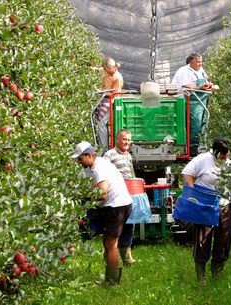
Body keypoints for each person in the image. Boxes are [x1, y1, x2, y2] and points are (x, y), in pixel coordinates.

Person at [71, 141, 132, 285]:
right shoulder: (92, 167)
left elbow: (102, 194)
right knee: (108, 242)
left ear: (89, 155)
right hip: (115, 205)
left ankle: (112, 281)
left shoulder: (100, 168)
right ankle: (112, 277)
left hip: (117, 206)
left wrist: (82, 195)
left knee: (111, 244)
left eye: (80, 158)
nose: (78, 161)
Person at [181, 139, 231, 284]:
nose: (225, 158)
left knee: (223, 241)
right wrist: (193, 194)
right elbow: (187, 173)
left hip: (224, 206)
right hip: (205, 207)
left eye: (227, 155)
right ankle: (201, 277)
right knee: (202, 240)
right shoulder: (203, 159)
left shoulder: (229, 164)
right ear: (216, 152)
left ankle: (217, 274)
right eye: (223, 155)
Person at [103, 129, 151, 266]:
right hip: (116, 197)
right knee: (115, 227)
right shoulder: (109, 155)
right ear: (117, 140)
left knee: (130, 224)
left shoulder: (128, 155)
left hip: (129, 195)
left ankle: (126, 257)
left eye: (129, 140)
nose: (127, 142)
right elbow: (104, 175)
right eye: (125, 139)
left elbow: (130, 174)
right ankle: (110, 256)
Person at [171, 53, 219, 156]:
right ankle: (192, 149)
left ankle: (200, 147)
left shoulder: (200, 70)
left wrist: (210, 85)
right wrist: (200, 88)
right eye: (197, 62)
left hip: (201, 101)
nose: (199, 64)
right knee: (195, 126)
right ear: (190, 62)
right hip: (191, 101)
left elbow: (205, 82)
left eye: (201, 62)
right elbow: (185, 86)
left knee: (203, 124)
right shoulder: (184, 71)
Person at [95, 57, 124, 150]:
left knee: (102, 122)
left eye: (108, 69)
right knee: (94, 118)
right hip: (103, 98)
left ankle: (104, 148)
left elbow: (115, 94)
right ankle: (98, 144)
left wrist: (101, 91)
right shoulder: (106, 71)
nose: (107, 71)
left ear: (113, 68)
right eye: (106, 69)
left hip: (111, 100)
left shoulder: (118, 78)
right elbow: (98, 70)